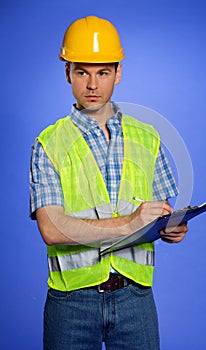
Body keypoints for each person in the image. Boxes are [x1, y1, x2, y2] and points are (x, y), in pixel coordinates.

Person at [30, 15, 188, 350]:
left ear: (118, 73)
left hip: (136, 300)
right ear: (67, 73)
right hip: (71, 303)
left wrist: (172, 227)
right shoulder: (49, 144)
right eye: (82, 72)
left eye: (102, 72)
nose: (92, 84)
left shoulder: (147, 137)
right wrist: (130, 222)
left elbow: (160, 216)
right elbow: (52, 229)